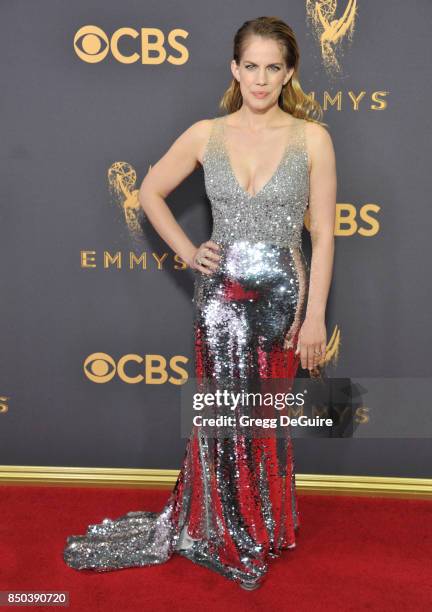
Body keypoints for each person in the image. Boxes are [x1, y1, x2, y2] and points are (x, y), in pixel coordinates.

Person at [63, 16, 336, 591]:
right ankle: (216, 525)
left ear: (289, 74)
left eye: (273, 68)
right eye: (251, 66)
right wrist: (190, 252)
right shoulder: (205, 133)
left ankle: (255, 524)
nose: (261, 79)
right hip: (220, 298)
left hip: (283, 295)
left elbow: (325, 234)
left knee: (263, 416)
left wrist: (314, 316)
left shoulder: (313, 138)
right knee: (221, 416)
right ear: (235, 69)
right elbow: (150, 192)